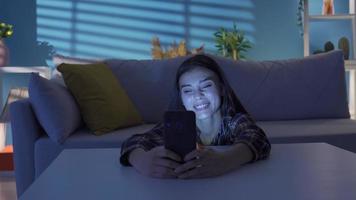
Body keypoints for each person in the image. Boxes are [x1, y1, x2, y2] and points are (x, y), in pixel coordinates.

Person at [120, 54, 271, 179]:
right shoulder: (178, 126)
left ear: (222, 89)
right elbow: (134, 141)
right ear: (181, 98)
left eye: (206, 86)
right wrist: (141, 161)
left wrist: (225, 161)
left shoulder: (233, 121)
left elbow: (256, 138)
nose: (198, 96)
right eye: (188, 91)